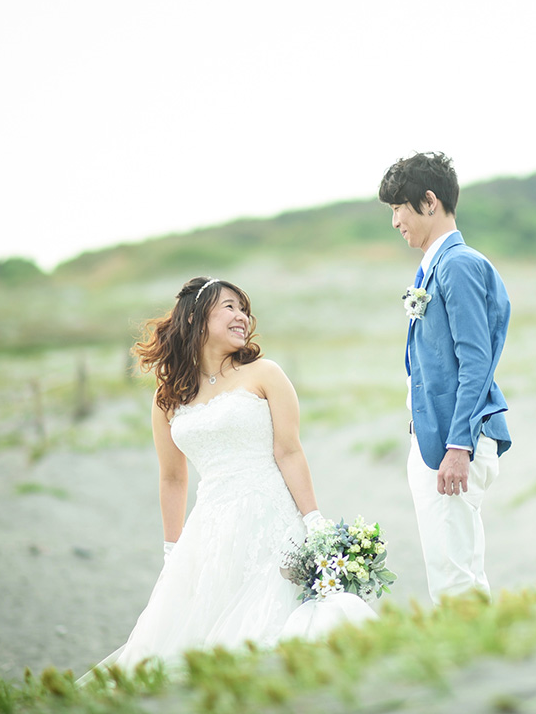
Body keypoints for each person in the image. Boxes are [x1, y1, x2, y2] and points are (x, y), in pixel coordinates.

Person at [82, 276, 373, 680]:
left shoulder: (265, 373)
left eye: (244, 308)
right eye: (230, 307)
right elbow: (172, 478)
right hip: (210, 527)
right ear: (197, 320)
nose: (242, 316)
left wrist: (314, 521)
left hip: (271, 516)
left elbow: (288, 451)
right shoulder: (168, 397)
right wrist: (172, 550)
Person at [379, 151, 512, 603]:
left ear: (429, 201)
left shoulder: (457, 264)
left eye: (399, 206)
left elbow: (476, 361)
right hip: (440, 438)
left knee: (453, 579)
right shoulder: (436, 265)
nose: (395, 220)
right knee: (458, 571)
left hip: (454, 443)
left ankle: (471, 669)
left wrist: (458, 446)